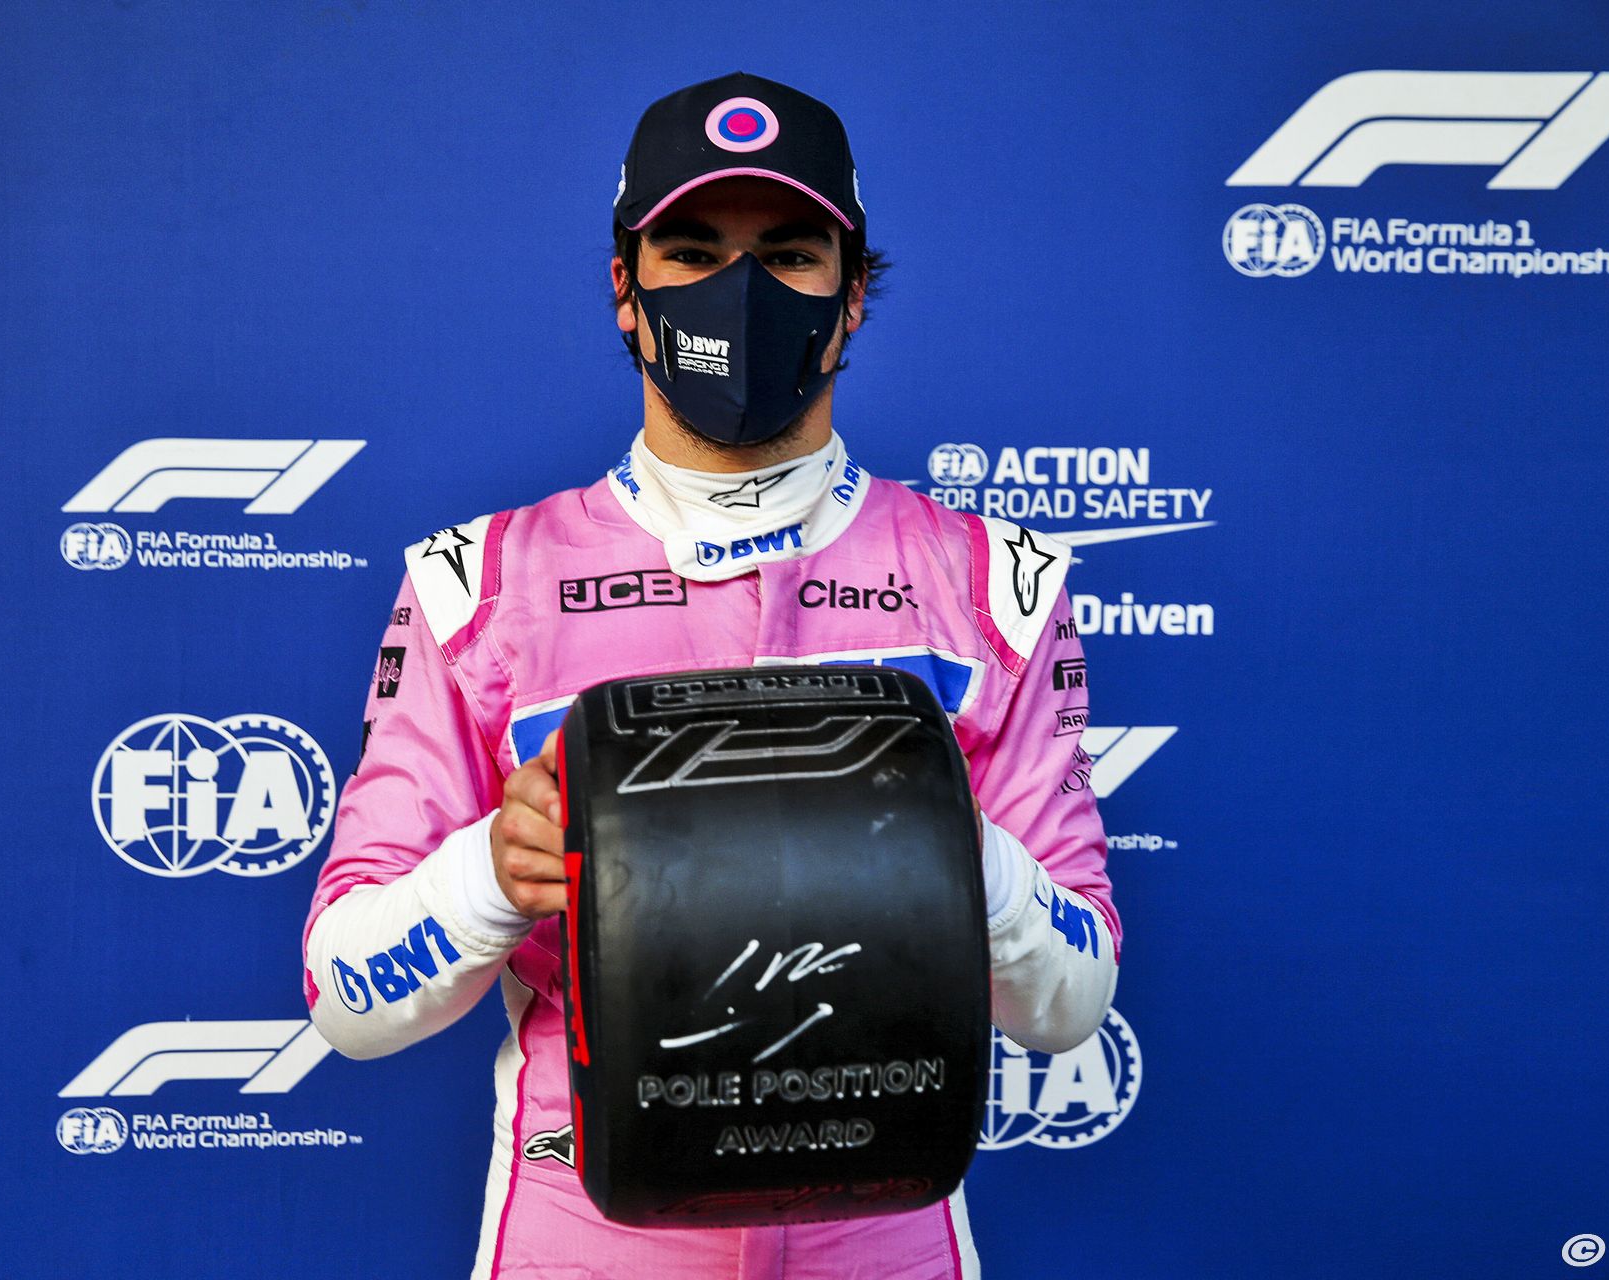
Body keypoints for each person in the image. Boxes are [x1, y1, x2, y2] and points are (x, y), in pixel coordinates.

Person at [300, 70, 1122, 1280]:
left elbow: (1073, 998)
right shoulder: (478, 585)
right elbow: (343, 996)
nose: (740, 292)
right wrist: (493, 871)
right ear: (625, 292)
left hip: (887, 1242)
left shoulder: (994, 583)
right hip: (580, 1243)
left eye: (788, 255)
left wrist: (948, 846)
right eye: (692, 252)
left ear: (851, 297)